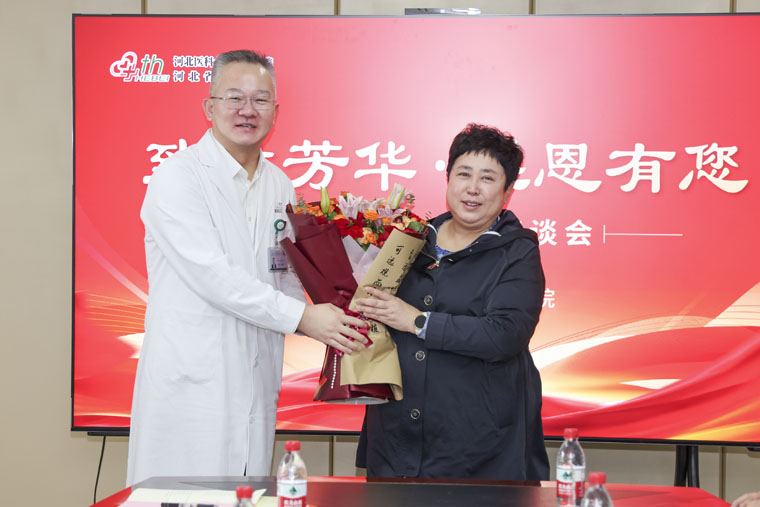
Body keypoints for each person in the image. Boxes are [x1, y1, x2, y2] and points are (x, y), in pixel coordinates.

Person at [126, 50, 367, 486]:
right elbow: (213, 277)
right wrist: (304, 318)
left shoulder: (279, 184)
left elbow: (283, 275)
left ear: (275, 111)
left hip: (255, 377)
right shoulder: (177, 178)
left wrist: (339, 313)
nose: (247, 110)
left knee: (246, 492)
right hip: (192, 382)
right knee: (181, 492)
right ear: (209, 106)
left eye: (260, 100)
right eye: (234, 97)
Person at [354, 123, 550, 480]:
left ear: (507, 191)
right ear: (448, 179)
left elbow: (505, 335)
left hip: (479, 447)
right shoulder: (408, 238)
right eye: (464, 174)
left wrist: (417, 321)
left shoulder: (518, 251)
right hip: (397, 438)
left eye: (488, 178)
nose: (473, 187)